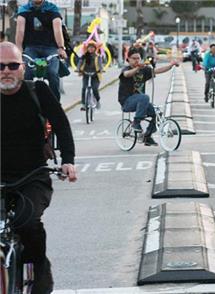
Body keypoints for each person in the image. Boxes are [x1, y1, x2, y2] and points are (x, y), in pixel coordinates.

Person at [0, 41, 78, 294]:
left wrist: (68, 161)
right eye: (0, 66)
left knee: (27, 222)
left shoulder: (38, 91)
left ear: (23, 68)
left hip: (32, 176)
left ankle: (40, 271)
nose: (6, 71)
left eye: (13, 65)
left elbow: (62, 126)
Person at [118, 47, 179, 146]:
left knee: (156, 114)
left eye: (138, 58)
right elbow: (127, 74)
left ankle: (148, 136)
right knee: (144, 97)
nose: (136, 60)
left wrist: (170, 65)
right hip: (127, 102)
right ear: (128, 59)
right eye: (134, 58)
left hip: (141, 102)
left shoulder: (144, 70)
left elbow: (157, 71)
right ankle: (136, 123)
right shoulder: (126, 69)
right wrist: (137, 68)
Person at [15, 0, 68, 101]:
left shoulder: (52, 9)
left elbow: (57, 29)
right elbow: (20, 30)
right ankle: (27, 101)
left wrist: (61, 48)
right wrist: (19, 49)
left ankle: (55, 103)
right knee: (26, 73)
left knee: (53, 73)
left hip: (51, 47)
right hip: (31, 47)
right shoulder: (24, 10)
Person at [77, 40, 104, 110]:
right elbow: (80, 62)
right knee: (84, 88)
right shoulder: (84, 56)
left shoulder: (98, 56)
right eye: (89, 47)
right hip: (85, 73)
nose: (90, 49)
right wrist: (78, 69)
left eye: (92, 47)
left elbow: (100, 64)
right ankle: (83, 104)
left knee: (95, 88)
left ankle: (97, 101)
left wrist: (101, 69)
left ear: (95, 48)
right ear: (87, 48)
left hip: (95, 75)